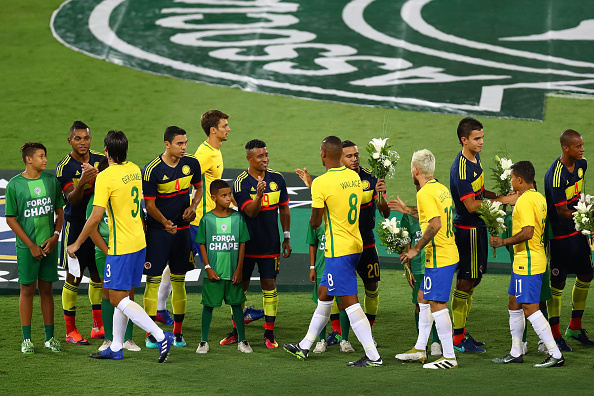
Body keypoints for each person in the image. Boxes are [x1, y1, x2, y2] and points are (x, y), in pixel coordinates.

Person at [67, 130, 174, 362]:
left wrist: (75, 244)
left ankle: (160, 335)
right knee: (120, 294)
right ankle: (116, 346)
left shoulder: (106, 177)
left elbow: (95, 218)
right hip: (138, 242)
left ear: (106, 151)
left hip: (120, 246)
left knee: (116, 298)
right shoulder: (135, 169)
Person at [284, 136, 382, 367]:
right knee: (325, 294)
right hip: (356, 243)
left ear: (323, 154)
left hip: (339, 250)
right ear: (340, 155)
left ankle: (373, 355)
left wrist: (315, 202)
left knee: (350, 302)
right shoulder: (353, 177)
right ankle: (305, 345)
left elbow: (315, 222)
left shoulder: (321, 183)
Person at [188, 109, 264, 326]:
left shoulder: (214, 150)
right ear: (213, 130)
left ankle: (159, 309)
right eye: (224, 126)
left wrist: (230, 202)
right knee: (222, 267)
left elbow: (213, 185)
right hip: (202, 221)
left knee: (175, 266)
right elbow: (188, 180)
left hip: (210, 219)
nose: (229, 129)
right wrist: (190, 207)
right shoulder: (204, 154)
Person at [449, 117, 516, 352]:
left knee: (474, 279)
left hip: (477, 229)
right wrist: (504, 200)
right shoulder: (461, 168)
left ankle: (460, 331)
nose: (481, 142)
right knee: (466, 281)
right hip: (468, 231)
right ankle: (457, 338)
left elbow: (477, 191)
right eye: (477, 139)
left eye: (482, 138)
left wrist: (493, 193)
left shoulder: (475, 159)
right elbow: (470, 205)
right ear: (463, 140)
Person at [489, 161, 565, 367]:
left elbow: (528, 232)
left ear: (519, 180)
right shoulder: (538, 198)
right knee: (514, 304)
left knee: (530, 308)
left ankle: (555, 354)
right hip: (531, 259)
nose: (511, 181)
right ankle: (516, 351)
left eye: (512, 178)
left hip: (528, 262)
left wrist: (503, 241)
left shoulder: (524, 202)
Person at [393, 149, 459, 369]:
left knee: (437, 304)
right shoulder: (440, 189)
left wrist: (415, 250)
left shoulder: (424, 193)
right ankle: (421, 349)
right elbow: (432, 217)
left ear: (415, 170)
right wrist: (408, 211)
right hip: (446, 253)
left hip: (440, 256)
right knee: (423, 297)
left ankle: (449, 357)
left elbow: (435, 224)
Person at [222, 139, 291, 348]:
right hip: (246, 245)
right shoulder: (241, 183)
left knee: (269, 286)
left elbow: (285, 209)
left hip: (270, 244)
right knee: (239, 288)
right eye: (260, 156)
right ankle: (236, 332)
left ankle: (269, 334)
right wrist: (259, 196)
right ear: (249, 159)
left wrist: (286, 237)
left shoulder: (277, 179)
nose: (265, 159)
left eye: (266, 155)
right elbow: (250, 212)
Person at [142, 126, 202, 348]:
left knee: (179, 281)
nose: (184, 147)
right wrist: (165, 222)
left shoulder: (192, 164)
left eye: (185, 143)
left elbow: (198, 188)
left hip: (183, 232)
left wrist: (194, 206)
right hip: (158, 233)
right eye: (180, 143)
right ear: (167, 144)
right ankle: (150, 335)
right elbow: (149, 204)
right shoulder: (152, 170)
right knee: (152, 282)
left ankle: (177, 334)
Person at [6, 143, 65, 353]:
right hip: (27, 248)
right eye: (41, 156)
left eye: (45, 156)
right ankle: (26, 339)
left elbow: (60, 212)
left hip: (49, 246)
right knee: (27, 289)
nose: (46, 160)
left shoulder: (50, 181)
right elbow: (11, 219)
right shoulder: (14, 185)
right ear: (29, 159)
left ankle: (50, 338)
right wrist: (31, 245)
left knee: (47, 289)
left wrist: (55, 237)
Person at [544, 129, 593, 351]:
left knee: (586, 274)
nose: (583, 149)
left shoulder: (581, 166)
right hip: (560, 236)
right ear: (566, 148)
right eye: (578, 146)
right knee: (558, 283)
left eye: (582, 145)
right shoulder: (555, 175)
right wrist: (587, 213)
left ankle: (574, 328)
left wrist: (586, 216)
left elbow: (578, 197)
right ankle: (554, 335)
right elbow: (562, 211)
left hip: (577, 231)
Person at [56, 121, 105, 345]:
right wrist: (83, 183)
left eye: (86, 138)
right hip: (75, 227)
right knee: (73, 278)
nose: (83, 142)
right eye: (78, 139)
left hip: (97, 226)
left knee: (97, 276)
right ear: (70, 141)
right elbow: (71, 200)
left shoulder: (100, 161)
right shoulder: (64, 168)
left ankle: (98, 326)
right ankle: (70, 331)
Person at [87, 158, 140, 352]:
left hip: (126, 249)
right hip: (106, 252)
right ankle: (109, 339)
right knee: (108, 293)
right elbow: (92, 228)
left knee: (128, 292)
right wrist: (108, 252)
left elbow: (138, 220)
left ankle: (128, 339)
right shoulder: (96, 199)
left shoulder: (125, 194)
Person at [194, 180, 253, 354]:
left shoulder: (237, 218)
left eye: (230, 195)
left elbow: (242, 243)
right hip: (214, 273)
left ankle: (242, 340)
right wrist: (207, 267)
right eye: (224, 195)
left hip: (233, 273)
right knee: (208, 306)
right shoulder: (207, 219)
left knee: (237, 305)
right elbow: (202, 244)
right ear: (213, 197)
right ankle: (204, 341)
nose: (229, 199)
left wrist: (239, 269)